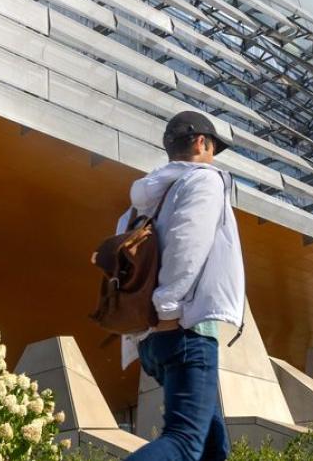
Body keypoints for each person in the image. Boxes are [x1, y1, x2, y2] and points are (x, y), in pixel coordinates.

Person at [122, 111, 247, 461]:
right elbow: (186, 248)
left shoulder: (141, 203)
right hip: (185, 328)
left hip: (152, 339)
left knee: (212, 447)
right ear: (200, 142)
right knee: (184, 441)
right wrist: (168, 309)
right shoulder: (204, 181)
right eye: (212, 147)